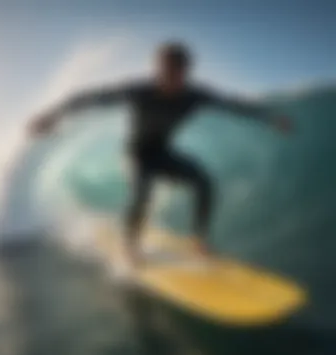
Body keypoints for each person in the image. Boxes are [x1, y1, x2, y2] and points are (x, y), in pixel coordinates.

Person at [29, 42, 291, 267]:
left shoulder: (195, 95)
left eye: (176, 73)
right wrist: (52, 114)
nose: (168, 79)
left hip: (163, 152)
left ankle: (199, 240)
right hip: (136, 154)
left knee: (204, 182)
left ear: (185, 72)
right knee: (143, 192)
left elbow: (233, 105)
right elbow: (89, 98)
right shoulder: (140, 91)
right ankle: (130, 246)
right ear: (157, 69)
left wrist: (269, 118)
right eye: (164, 72)